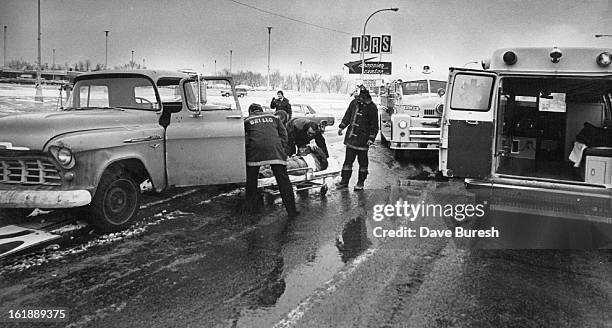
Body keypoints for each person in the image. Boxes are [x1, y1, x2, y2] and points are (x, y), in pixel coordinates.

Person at [244, 103, 298, 218]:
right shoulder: (274, 117)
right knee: (283, 180)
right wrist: (280, 148)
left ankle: (251, 211)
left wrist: (248, 151)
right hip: (275, 150)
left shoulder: (247, 120)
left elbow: (245, 138)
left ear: (251, 112)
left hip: (255, 152)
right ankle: (292, 211)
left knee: (251, 181)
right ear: (261, 110)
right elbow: (284, 134)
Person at [336, 88, 379, 190]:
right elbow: (347, 115)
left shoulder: (372, 107)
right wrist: (342, 126)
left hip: (363, 141)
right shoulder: (354, 103)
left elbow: (374, 125)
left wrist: (371, 138)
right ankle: (344, 181)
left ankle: (360, 183)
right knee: (348, 162)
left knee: (363, 164)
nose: (360, 100)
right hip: (351, 139)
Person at [259, 145, 329, 178]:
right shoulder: (315, 156)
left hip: (302, 163)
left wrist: (311, 148)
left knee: (281, 166)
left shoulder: (320, 159)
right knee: (282, 166)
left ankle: (261, 172)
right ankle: (262, 172)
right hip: (301, 162)